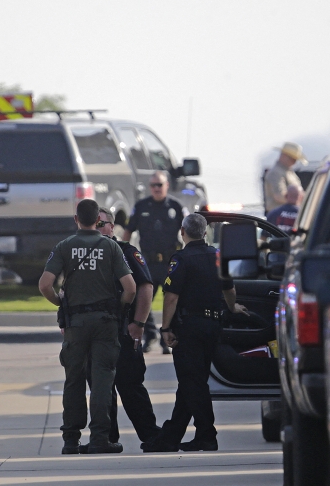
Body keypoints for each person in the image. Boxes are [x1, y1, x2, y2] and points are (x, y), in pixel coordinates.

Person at [39, 199, 136, 455]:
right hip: (105, 322)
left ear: (76, 219)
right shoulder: (111, 248)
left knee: (73, 380)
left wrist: (60, 303)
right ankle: (100, 438)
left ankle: (70, 439)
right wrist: (119, 308)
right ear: (98, 221)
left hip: (75, 324)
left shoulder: (64, 247)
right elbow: (131, 288)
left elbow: (45, 284)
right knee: (103, 378)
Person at [143, 213, 231, 453]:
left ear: (183, 231)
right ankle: (170, 437)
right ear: (205, 233)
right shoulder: (217, 256)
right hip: (214, 327)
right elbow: (229, 288)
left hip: (189, 328)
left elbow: (171, 298)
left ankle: (206, 435)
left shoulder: (181, 259)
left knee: (193, 383)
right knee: (191, 383)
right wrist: (234, 308)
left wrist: (165, 328)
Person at [88, 208, 159, 449]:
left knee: (129, 384)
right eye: (94, 223)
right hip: (95, 332)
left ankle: (150, 435)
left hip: (124, 330)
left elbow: (145, 287)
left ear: (112, 226)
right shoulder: (82, 254)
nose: (98, 228)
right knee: (101, 387)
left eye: (102, 223)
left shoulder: (127, 252)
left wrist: (138, 324)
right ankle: (107, 437)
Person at [122, 171, 187, 352]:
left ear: (167, 185)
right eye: (153, 185)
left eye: (160, 185)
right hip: (148, 262)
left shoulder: (176, 206)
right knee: (143, 298)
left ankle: (167, 338)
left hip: (170, 262)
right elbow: (128, 231)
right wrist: (122, 252)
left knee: (171, 299)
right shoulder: (142, 206)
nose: (156, 188)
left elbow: (187, 231)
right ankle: (150, 335)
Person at [263, 143, 304, 213]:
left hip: (288, 213)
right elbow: (279, 195)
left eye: (295, 159)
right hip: (278, 216)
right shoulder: (275, 172)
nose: (294, 162)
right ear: (284, 156)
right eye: (292, 159)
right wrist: (301, 198)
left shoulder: (289, 172)